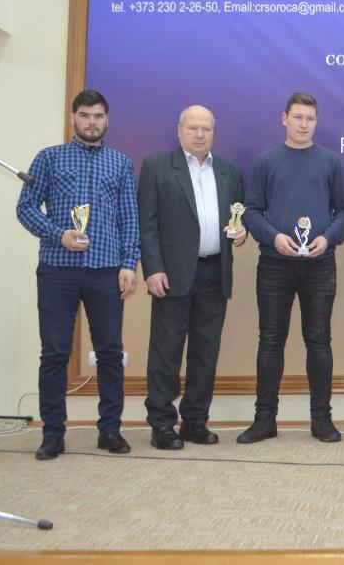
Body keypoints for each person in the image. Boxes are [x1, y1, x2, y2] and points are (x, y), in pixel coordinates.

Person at [17, 89, 140, 460]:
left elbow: (129, 218)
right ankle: (53, 434)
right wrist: (59, 234)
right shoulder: (49, 158)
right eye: (85, 115)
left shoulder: (120, 163)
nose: (91, 122)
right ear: (74, 118)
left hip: (106, 272)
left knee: (110, 353)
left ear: (107, 120)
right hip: (58, 270)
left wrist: (129, 264)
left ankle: (110, 430)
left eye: (98, 116)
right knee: (54, 354)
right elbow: (25, 208)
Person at [237, 92, 344, 444]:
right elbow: (251, 212)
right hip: (275, 265)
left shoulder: (331, 162)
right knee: (271, 341)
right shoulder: (265, 162)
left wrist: (328, 239)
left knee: (319, 341)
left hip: (320, 265)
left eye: (310, 119)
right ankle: (264, 420)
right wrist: (273, 238)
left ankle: (321, 420)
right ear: (284, 118)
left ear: (316, 122)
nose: (304, 124)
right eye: (298, 117)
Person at [137, 105, 246, 450]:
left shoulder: (228, 171)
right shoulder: (157, 167)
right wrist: (153, 268)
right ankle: (162, 425)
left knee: (205, 352)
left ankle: (195, 422)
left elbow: (237, 218)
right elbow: (147, 224)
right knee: (166, 352)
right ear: (179, 130)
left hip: (215, 271)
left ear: (214, 132)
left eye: (207, 129)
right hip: (171, 274)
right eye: (193, 128)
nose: (200, 134)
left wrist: (240, 233)